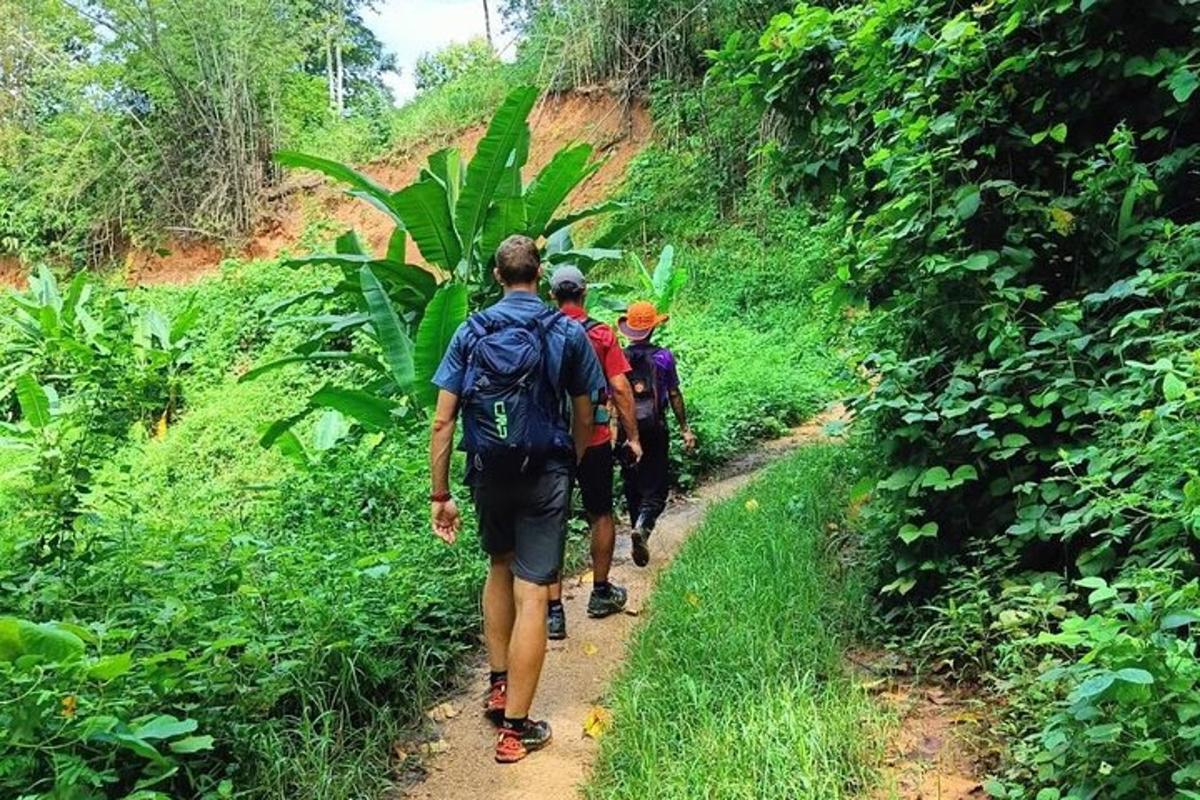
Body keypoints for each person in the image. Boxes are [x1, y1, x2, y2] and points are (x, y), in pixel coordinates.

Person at [428, 235, 605, 764]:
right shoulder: (566, 333)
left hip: (488, 471)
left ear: (499, 276)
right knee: (534, 593)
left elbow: (443, 420)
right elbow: (586, 409)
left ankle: (499, 684)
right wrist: (568, 460)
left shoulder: (471, 330)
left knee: (498, 566)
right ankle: (516, 730)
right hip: (546, 469)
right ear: (539, 273)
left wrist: (441, 493)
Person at [545, 266, 643, 640]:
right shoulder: (601, 333)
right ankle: (600, 592)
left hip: (550, 441)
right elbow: (619, 388)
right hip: (597, 437)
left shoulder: (542, 331)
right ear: (584, 293)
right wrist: (633, 437)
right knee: (600, 512)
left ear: (553, 295)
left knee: (551, 518)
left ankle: (553, 611)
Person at [616, 300, 697, 567]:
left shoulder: (619, 358)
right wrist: (685, 428)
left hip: (627, 430)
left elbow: (611, 395)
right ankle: (644, 526)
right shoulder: (663, 357)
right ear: (652, 329)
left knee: (632, 482)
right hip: (655, 427)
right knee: (658, 486)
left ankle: (638, 525)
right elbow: (674, 394)